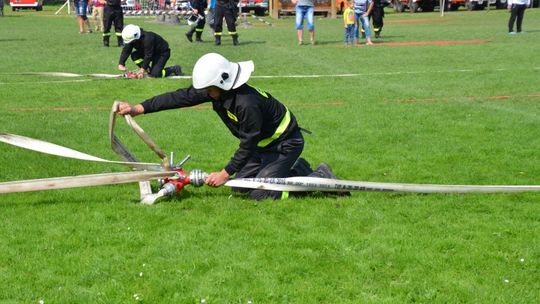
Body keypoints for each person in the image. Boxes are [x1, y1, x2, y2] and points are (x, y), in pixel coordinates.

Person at [115, 53, 347, 200]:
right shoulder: (217, 92)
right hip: (263, 147)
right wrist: (138, 108)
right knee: (239, 188)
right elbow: (179, 97)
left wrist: (225, 173)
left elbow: (248, 144)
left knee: (262, 194)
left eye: (208, 89)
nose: (204, 94)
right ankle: (297, 170)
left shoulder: (246, 104)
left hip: (285, 144)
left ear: (222, 83)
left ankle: (318, 177)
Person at [118, 24, 183, 78]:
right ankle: (148, 70)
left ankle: (174, 69)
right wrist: (121, 63)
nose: (129, 43)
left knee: (155, 75)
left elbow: (148, 55)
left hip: (162, 54)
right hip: (150, 53)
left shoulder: (148, 39)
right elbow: (126, 50)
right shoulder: (134, 39)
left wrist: (142, 69)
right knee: (134, 55)